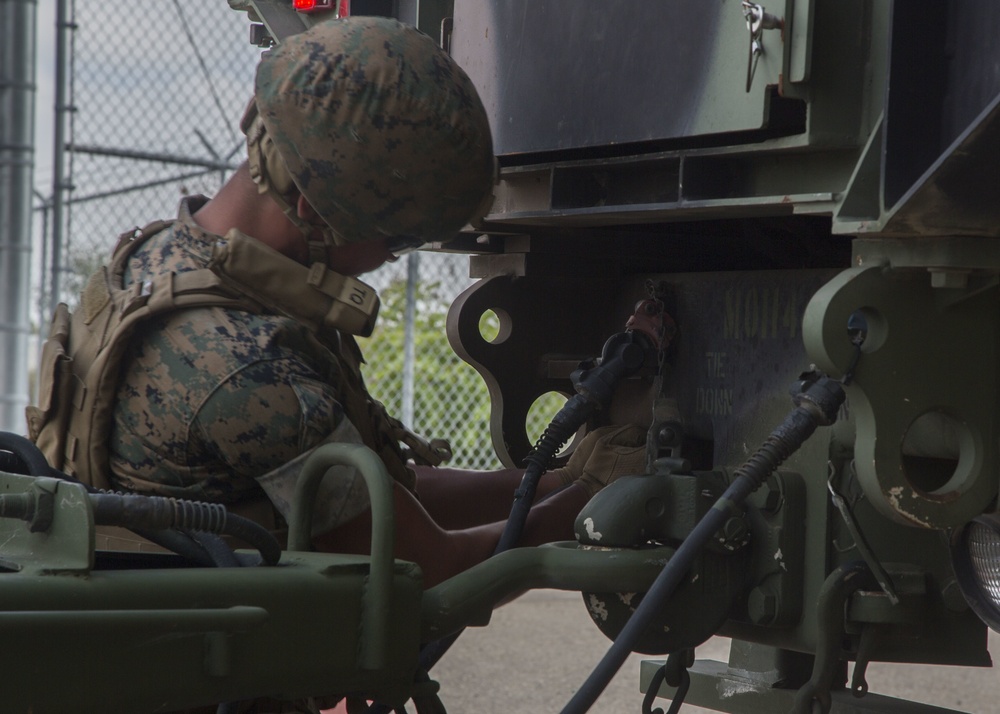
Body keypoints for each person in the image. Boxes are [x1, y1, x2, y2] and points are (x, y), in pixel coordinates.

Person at [28, 16, 646, 589]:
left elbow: (376, 497)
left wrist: (561, 479)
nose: (389, 260)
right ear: (311, 210)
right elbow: (426, 569)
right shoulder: (252, 373)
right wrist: (594, 496)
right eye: (396, 240)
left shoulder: (154, 263)